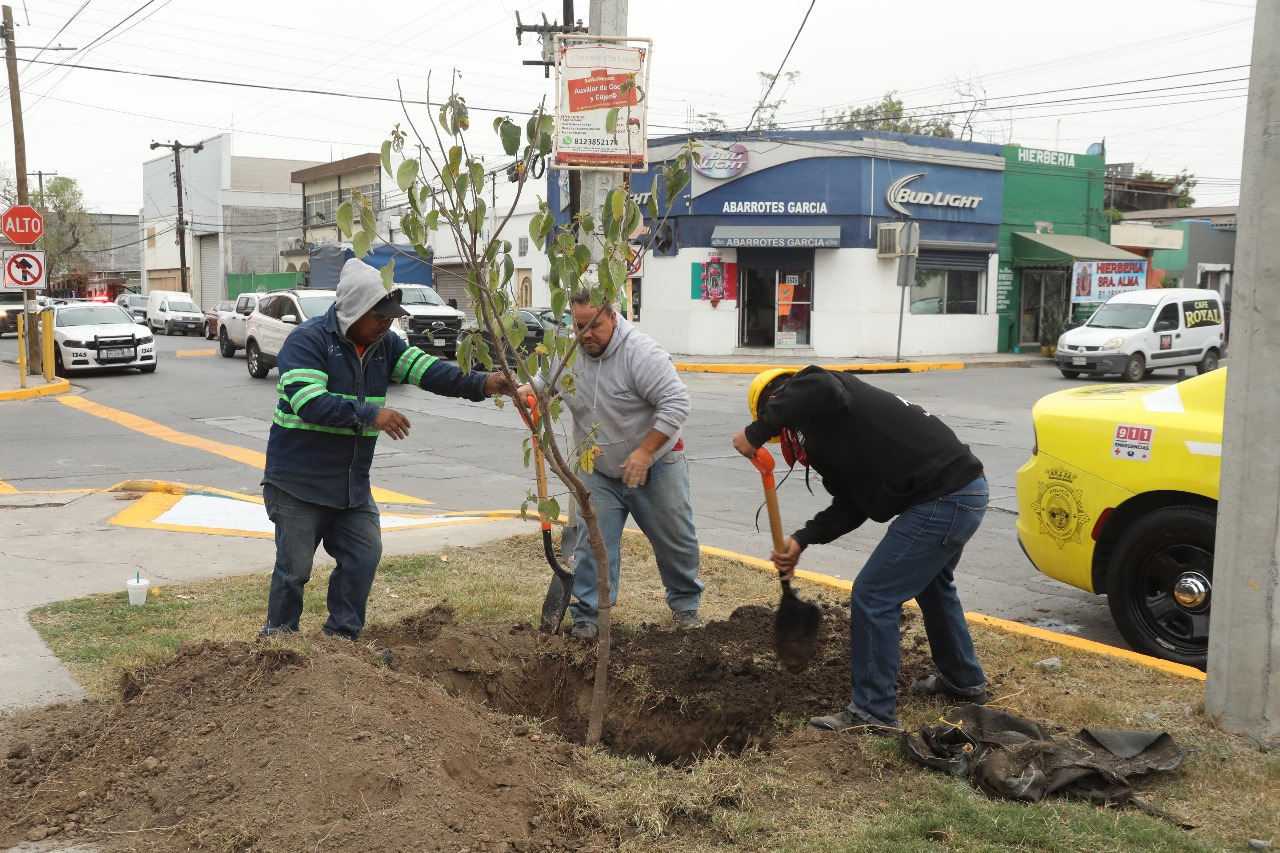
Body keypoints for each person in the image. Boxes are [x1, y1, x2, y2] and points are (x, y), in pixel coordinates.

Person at [261, 258, 512, 641]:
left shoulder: (386, 345)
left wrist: (487, 382)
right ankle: (277, 646)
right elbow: (309, 402)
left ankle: (341, 641)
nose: (387, 324)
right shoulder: (308, 342)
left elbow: (432, 372)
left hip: (350, 487)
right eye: (380, 316)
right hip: (297, 483)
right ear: (355, 310)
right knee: (294, 572)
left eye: (391, 318)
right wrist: (369, 414)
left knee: (363, 556)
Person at [731, 366, 990, 734]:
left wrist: (756, 432)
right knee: (934, 587)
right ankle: (965, 681)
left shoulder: (825, 390)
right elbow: (853, 504)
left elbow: (818, 384)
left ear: (779, 403)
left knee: (874, 594)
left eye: (778, 425)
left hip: (946, 497)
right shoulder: (830, 436)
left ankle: (872, 712)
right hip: (960, 492)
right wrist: (801, 539)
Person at [526, 293, 704, 641]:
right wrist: (526, 390)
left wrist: (644, 453)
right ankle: (588, 617)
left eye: (594, 325)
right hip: (597, 467)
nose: (585, 334)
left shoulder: (641, 353)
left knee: (675, 540)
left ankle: (686, 607)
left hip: (656, 464)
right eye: (579, 326)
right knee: (592, 544)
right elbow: (542, 384)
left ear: (613, 317)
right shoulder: (565, 352)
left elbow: (677, 402)